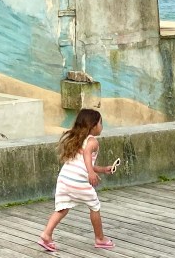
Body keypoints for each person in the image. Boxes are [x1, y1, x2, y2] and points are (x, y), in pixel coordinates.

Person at [38, 107, 117, 252]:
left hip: (64, 180)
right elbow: (87, 156)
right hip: (78, 181)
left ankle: (46, 234)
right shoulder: (92, 141)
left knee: (62, 208)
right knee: (94, 206)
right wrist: (90, 173)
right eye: (100, 123)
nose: (102, 126)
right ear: (93, 126)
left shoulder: (77, 140)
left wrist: (102, 169)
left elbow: (84, 163)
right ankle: (100, 239)